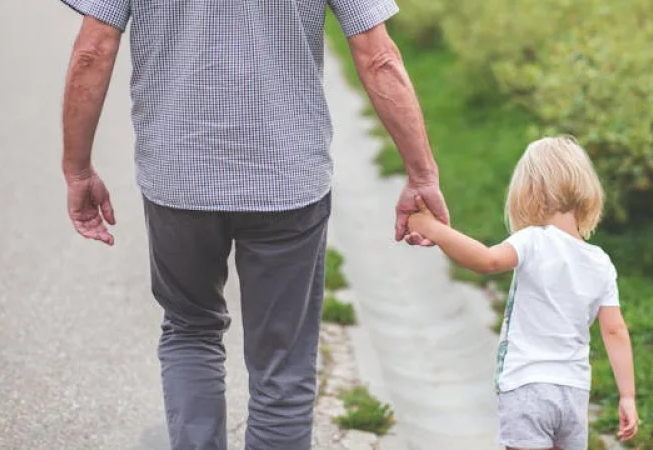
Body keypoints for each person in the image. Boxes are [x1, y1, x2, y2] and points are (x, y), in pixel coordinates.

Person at [59, 1, 449, 449]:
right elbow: (377, 56)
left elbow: (93, 50)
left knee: (190, 330)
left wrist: (78, 168)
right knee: (283, 366)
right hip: (286, 180)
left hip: (179, 176)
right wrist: (421, 175)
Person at [408, 136, 638, 450]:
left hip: (527, 385)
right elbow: (615, 331)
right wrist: (627, 397)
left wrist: (434, 229)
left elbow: (486, 260)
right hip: (573, 392)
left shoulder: (533, 240)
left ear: (530, 192)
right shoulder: (600, 261)